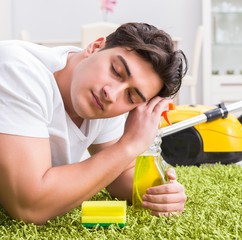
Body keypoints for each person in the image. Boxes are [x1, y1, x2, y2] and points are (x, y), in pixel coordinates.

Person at [0, 22, 187, 225]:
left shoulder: (104, 97)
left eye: (132, 97)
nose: (112, 94)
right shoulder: (17, 70)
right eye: (116, 71)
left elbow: (119, 175)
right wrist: (129, 145)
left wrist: (160, 193)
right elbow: (29, 206)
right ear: (95, 47)